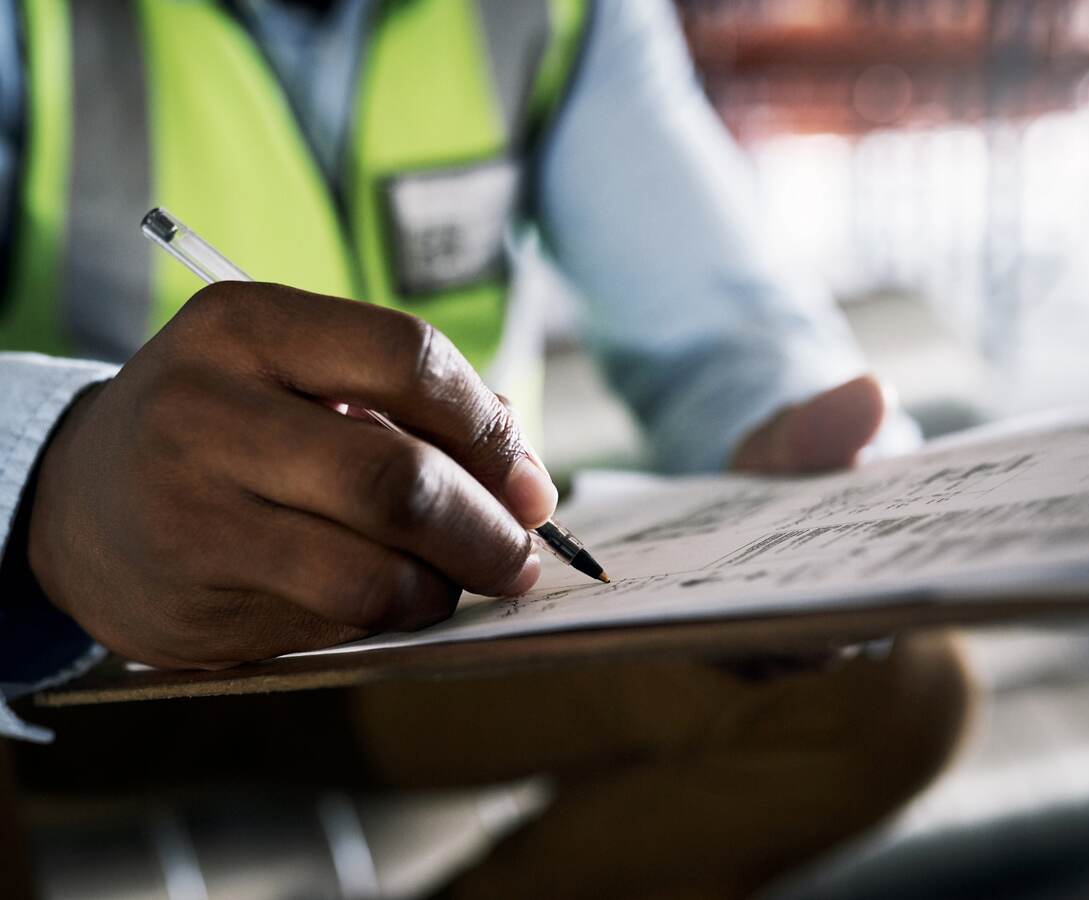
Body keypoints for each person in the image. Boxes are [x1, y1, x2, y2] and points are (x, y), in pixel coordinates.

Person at [0, 1, 970, 896]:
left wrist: (788, 428)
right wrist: (52, 482)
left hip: (427, 620)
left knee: (880, 686)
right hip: (77, 656)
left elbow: (719, 325)